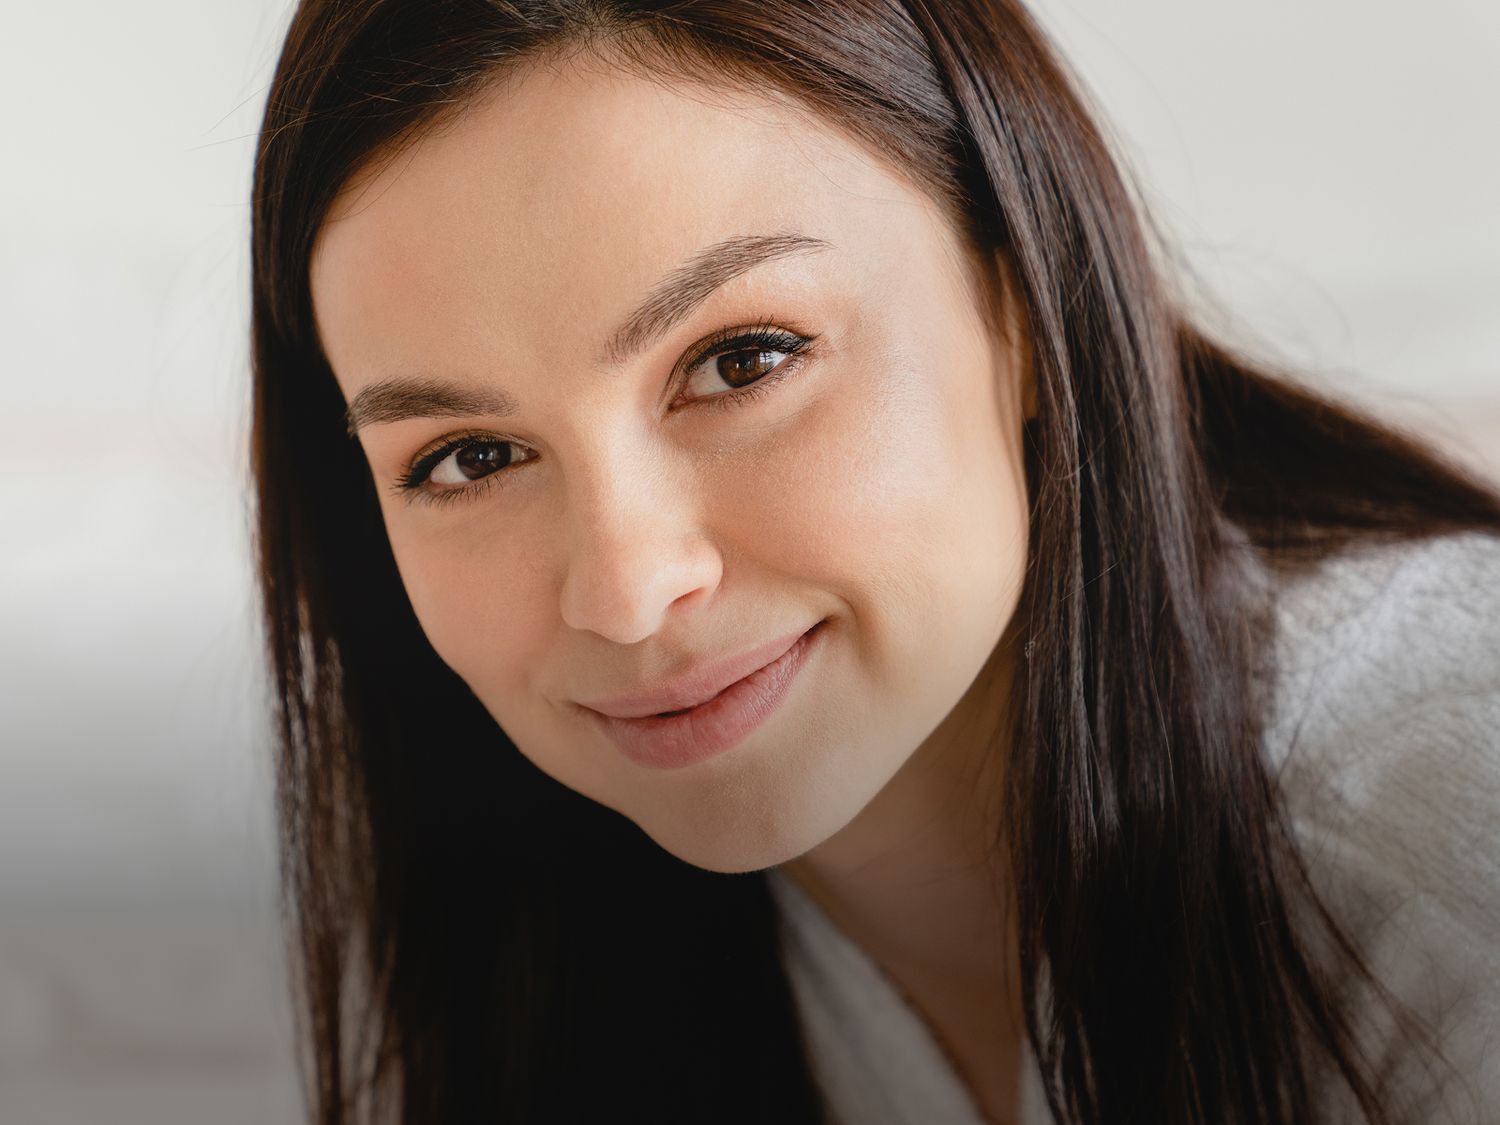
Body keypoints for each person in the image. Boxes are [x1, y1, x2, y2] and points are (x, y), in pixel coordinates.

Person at [248, 2, 1500, 1122]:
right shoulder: (520, 943)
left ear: (1020, 302)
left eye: (743, 362)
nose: (626, 593)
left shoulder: (1450, 828)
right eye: (468, 458)